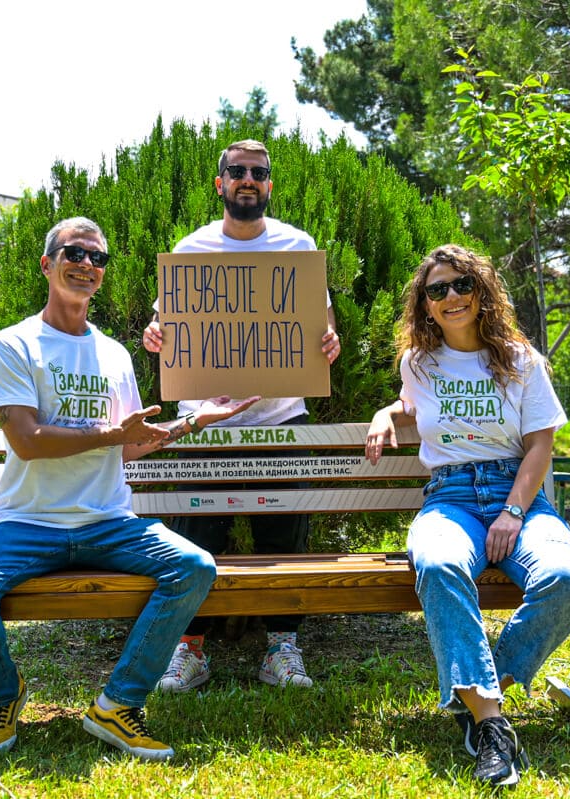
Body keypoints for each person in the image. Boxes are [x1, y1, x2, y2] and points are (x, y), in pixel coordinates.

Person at [0, 216, 259, 760]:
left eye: (97, 258)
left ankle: (117, 704)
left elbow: (127, 446)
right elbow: (27, 441)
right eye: (75, 253)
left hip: (109, 523)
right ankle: (4, 695)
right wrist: (111, 434)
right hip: (27, 523)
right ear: (47, 264)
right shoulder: (12, 344)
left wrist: (193, 421)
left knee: (194, 567)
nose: (87, 264)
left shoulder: (114, 354)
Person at [364, 244, 570, 787]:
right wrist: (385, 411)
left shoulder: (521, 360)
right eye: (436, 289)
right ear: (425, 303)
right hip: (450, 499)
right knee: (440, 564)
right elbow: (413, 404)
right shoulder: (418, 362)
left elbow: (540, 445)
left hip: (518, 496)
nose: (451, 296)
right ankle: (492, 727)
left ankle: (477, 689)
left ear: (481, 291)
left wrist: (513, 512)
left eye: (461, 284)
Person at [142, 139, 341, 692]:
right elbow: (166, 325)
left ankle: (282, 648)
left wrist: (328, 341)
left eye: (258, 172)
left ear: (269, 184)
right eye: (237, 171)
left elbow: (323, 321)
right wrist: (155, 334)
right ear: (221, 183)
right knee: (194, 536)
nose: (247, 180)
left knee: (285, 537)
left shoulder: (298, 246)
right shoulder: (191, 249)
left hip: (281, 418)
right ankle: (189, 649)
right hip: (205, 421)